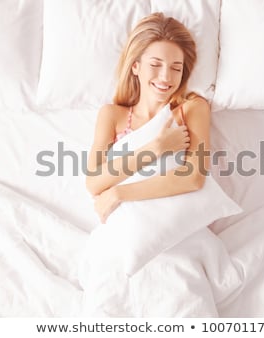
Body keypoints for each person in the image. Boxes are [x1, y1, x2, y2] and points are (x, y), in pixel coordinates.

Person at [86, 12, 211, 224]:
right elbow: (94, 183)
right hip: (129, 228)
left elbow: (193, 178)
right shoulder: (112, 116)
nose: (165, 77)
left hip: (176, 224)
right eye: (155, 64)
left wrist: (119, 193)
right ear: (136, 66)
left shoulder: (192, 109)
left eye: (176, 68)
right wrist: (156, 148)